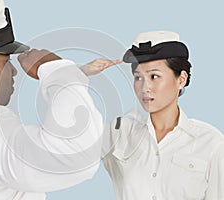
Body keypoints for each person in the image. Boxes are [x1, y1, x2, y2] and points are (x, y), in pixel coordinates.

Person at [0, 0, 118, 199]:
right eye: (6, 62)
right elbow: (76, 155)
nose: (14, 71)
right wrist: (55, 70)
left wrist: (75, 74)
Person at [84, 31, 224, 200]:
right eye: (138, 78)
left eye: (154, 76)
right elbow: (63, 154)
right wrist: (78, 74)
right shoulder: (119, 133)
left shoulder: (211, 143)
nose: (145, 87)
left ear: (181, 79)